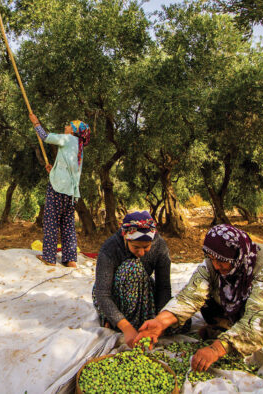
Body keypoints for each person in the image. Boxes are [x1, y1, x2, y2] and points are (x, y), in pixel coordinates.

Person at [134, 224, 263, 372]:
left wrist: (217, 348)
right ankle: (238, 333)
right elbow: (189, 296)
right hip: (243, 303)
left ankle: (240, 336)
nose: (216, 266)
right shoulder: (213, 265)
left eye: (222, 261)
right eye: (212, 259)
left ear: (238, 256)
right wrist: (160, 322)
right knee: (206, 303)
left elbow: (261, 318)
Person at [92, 211, 181, 347]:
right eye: (136, 247)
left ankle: (143, 322)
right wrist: (126, 328)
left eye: (146, 247)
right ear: (126, 238)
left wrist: (158, 322)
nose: (141, 253)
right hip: (115, 295)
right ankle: (118, 321)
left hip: (142, 288)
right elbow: (102, 294)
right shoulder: (110, 248)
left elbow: (163, 287)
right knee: (131, 267)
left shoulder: (160, 246)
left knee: (179, 322)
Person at [29, 113, 90, 268]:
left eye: (69, 125)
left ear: (73, 131)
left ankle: (49, 257)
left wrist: (36, 123)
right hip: (71, 193)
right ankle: (70, 260)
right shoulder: (79, 147)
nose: (66, 126)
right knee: (67, 224)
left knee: (51, 221)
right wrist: (53, 171)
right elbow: (69, 168)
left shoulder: (68, 138)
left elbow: (46, 137)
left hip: (58, 189)